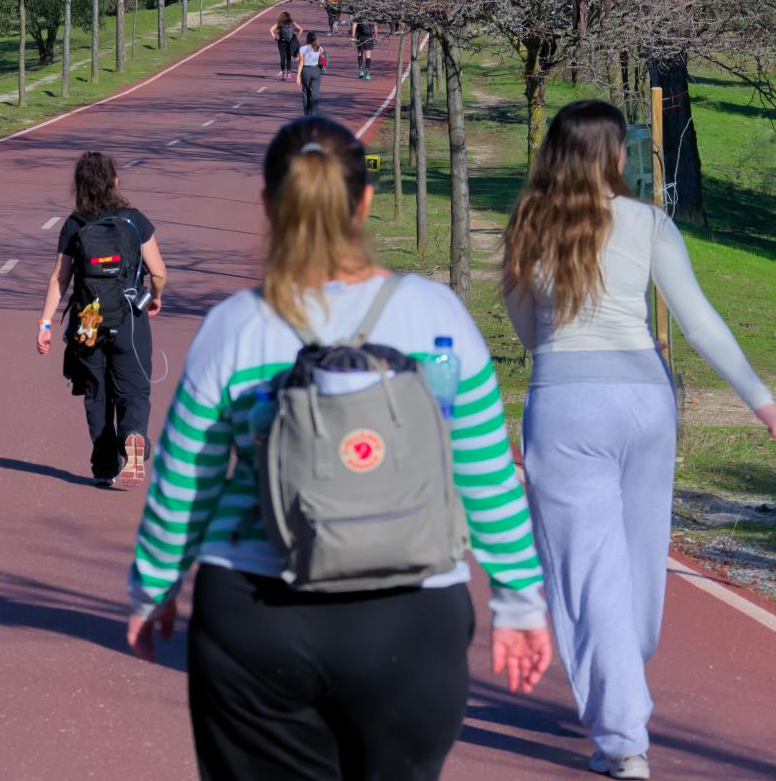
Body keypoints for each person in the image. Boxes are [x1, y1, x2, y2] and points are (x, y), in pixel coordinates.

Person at [128, 116, 552, 779]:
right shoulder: (437, 315)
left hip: (257, 611)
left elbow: (186, 478)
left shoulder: (237, 326)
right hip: (413, 614)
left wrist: (154, 584)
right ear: (365, 201)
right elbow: (485, 476)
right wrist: (519, 600)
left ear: (269, 204)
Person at [504, 100, 776, 781]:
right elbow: (699, 322)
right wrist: (762, 400)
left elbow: (527, 331)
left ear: (554, 153)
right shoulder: (649, 221)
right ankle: (624, 675)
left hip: (567, 405)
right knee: (639, 557)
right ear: (614, 155)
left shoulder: (529, 223)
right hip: (644, 402)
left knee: (588, 572)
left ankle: (622, 739)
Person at [39, 151, 168, 487]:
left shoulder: (74, 225)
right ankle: (134, 435)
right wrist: (154, 296)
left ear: (80, 186)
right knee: (134, 389)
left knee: (97, 394)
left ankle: (105, 466)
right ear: (115, 181)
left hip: (89, 321)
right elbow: (159, 272)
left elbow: (59, 279)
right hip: (130, 318)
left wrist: (45, 323)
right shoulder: (135, 221)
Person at [297, 31, 325, 114]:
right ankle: (314, 113)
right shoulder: (319, 48)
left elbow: (300, 63)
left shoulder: (302, 49)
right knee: (315, 93)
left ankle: (306, 113)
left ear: (307, 39)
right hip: (316, 70)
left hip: (306, 70)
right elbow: (323, 61)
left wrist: (298, 76)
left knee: (305, 91)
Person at [271, 11, 303, 81]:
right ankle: (288, 73)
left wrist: (276, 39)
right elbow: (301, 29)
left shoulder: (279, 23)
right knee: (289, 58)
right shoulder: (291, 22)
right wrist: (296, 38)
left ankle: (284, 74)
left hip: (281, 43)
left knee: (282, 58)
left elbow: (271, 30)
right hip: (290, 42)